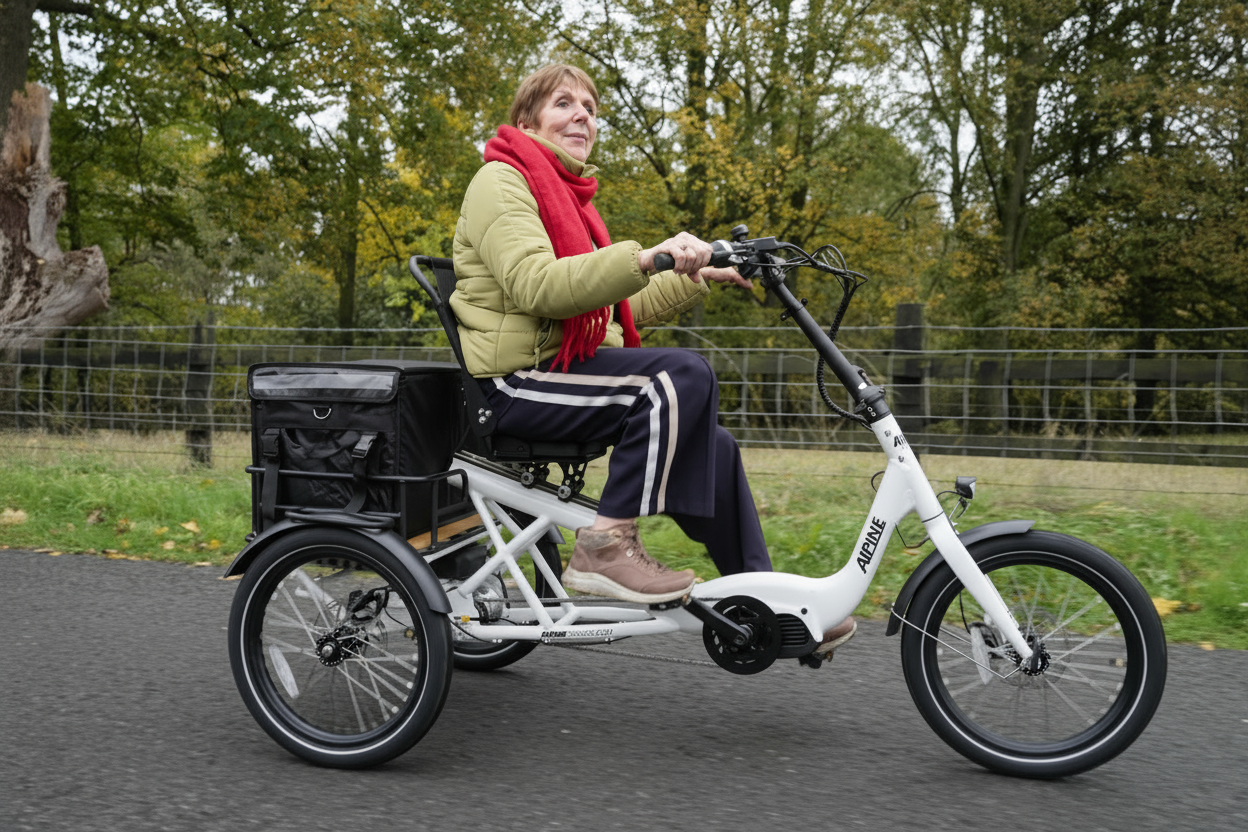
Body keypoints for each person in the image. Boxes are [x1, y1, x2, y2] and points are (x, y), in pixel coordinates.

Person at [451, 65, 854, 655]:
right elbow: (540, 287)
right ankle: (605, 548)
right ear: (526, 121)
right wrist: (643, 256)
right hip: (517, 384)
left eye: (590, 107)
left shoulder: (566, 197)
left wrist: (692, 273)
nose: (583, 114)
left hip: (562, 373)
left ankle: (767, 601)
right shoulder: (501, 181)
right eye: (564, 103)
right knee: (679, 375)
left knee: (715, 446)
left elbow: (607, 304)